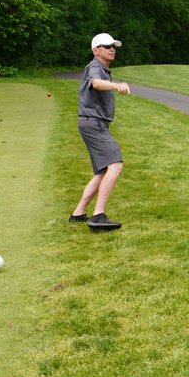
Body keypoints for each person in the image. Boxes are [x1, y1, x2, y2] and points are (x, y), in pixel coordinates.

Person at [70, 33, 130, 230]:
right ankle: (98, 215)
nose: (112, 49)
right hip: (93, 124)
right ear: (96, 50)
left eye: (113, 46)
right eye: (106, 46)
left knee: (102, 171)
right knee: (115, 165)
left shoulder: (103, 68)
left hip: (95, 124)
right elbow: (95, 83)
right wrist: (115, 85)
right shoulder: (95, 67)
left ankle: (78, 213)